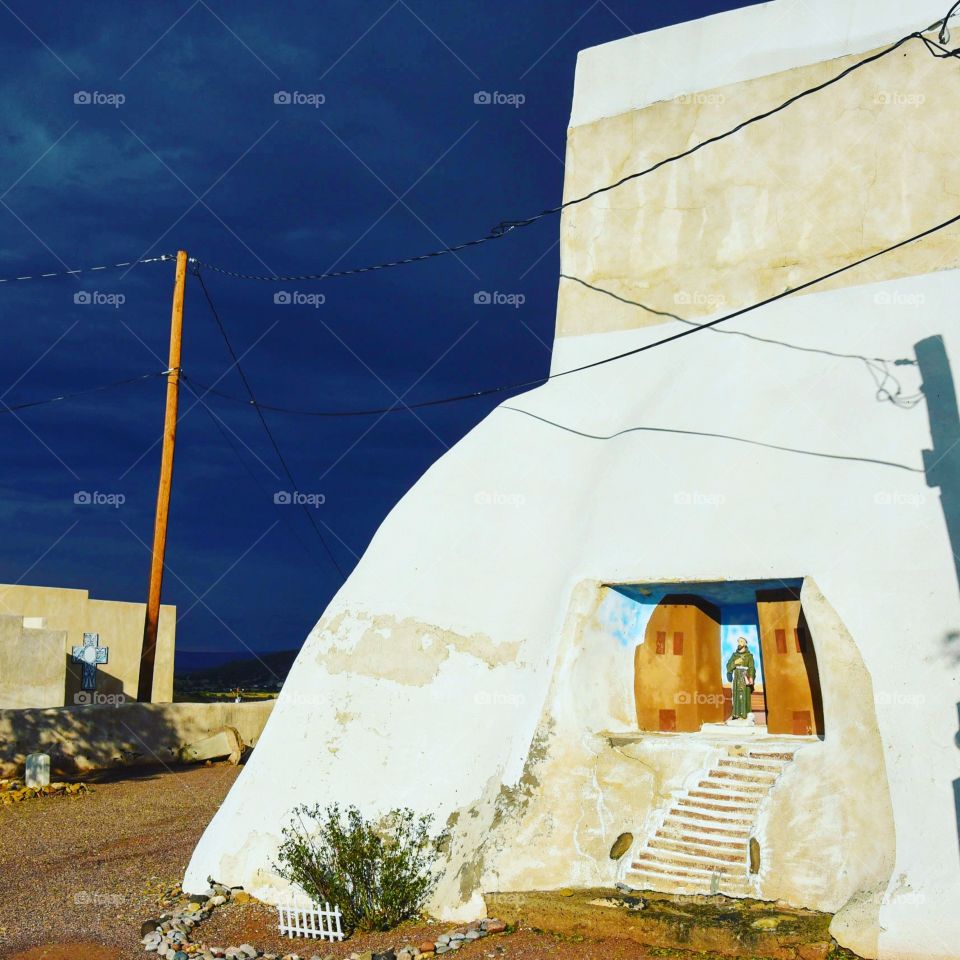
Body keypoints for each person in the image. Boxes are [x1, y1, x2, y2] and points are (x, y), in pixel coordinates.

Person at [725, 636, 756, 720]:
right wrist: (735, 662)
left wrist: (751, 677)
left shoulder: (749, 656)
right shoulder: (734, 655)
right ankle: (736, 714)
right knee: (737, 696)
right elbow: (728, 666)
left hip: (745, 678)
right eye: (738, 642)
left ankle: (745, 714)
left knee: (745, 696)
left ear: (745, 644)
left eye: (741, 641)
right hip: (737, 678)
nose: (739, 643)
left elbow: (752, 667)